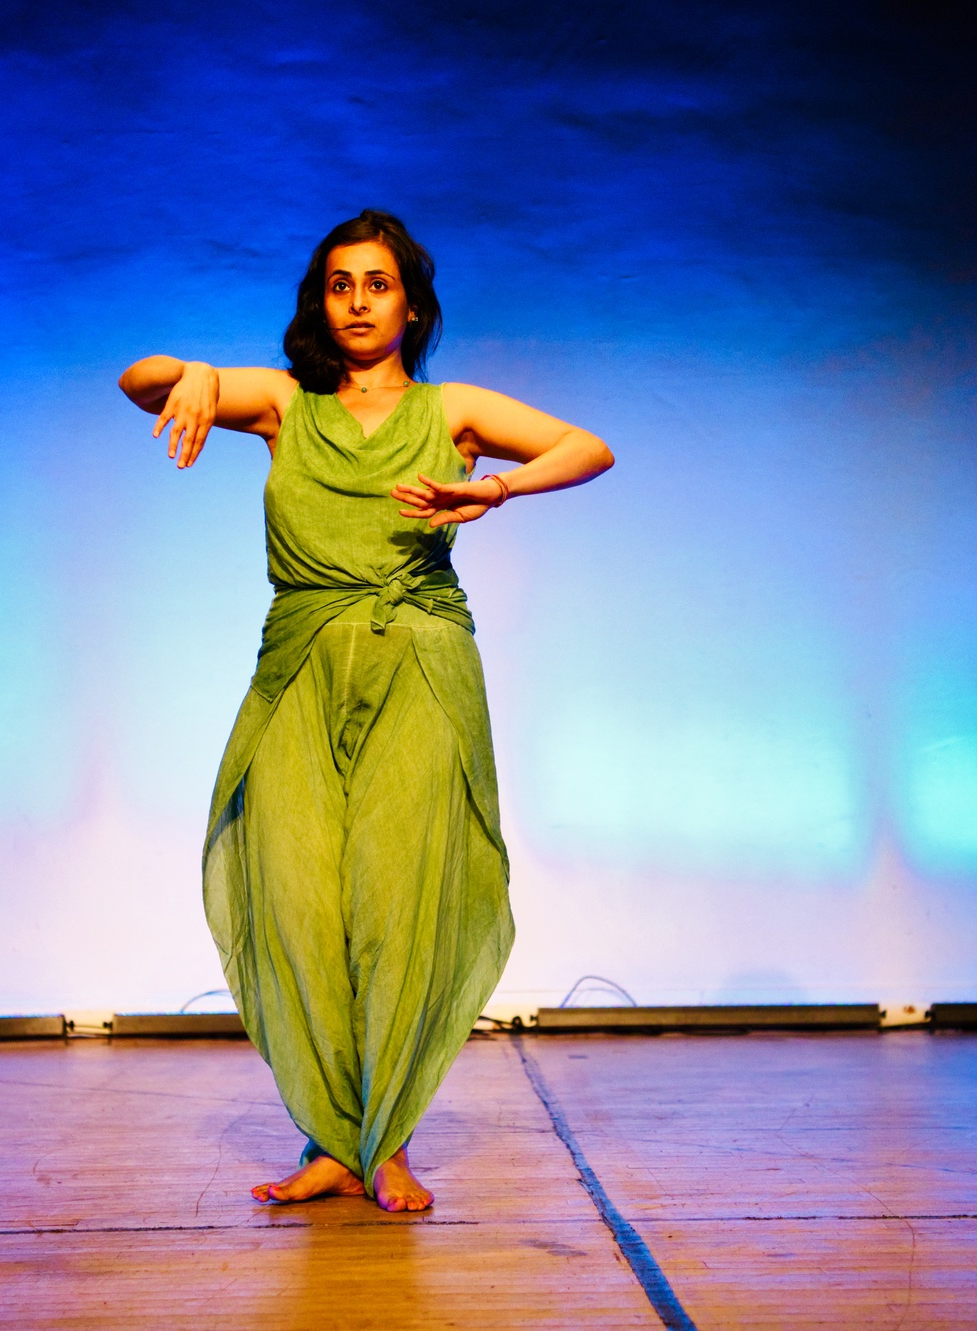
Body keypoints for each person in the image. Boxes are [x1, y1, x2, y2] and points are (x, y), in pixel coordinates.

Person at [118, 210, 613, 1212]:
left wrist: (496, 489)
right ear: (319, 301)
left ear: (411, 306)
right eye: (339, 284)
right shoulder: (284, 404)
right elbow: (140, 380)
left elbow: (588, 447)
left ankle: (385, 1141)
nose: (357, 301)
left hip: (420, 658)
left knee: (397, 901)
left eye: (377, 284)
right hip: (300, 664)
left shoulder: (451, 410)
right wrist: (198, 375)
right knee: (299, 898)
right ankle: (330, 1138)